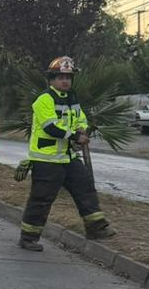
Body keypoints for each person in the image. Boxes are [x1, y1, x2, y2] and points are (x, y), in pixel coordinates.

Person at [18, 56, 116, 251]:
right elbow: (50, 128)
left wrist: (82, 129)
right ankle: (28, 237)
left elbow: (80, 119)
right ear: (51, 79)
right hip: (46, 160)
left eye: (68, 77)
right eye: (60, 77)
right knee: (41, 200)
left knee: (85, 187)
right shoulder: (43, 100)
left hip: (68, 157)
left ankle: (95, 227)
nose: (65, 81)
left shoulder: (72, 98)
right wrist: (75, 137)